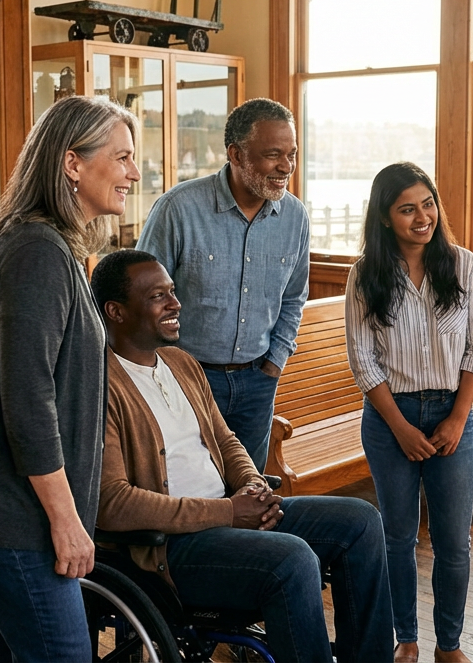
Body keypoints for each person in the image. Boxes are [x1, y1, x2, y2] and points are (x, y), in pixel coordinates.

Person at [92, 249, 393, 663]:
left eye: (173, 292)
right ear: (116, 311)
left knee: (360, 521)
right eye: (157, 296)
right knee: (293, 559)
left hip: (230, 513)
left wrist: (254, 488)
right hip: (170, 548)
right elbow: (112, 504)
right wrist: (230, 513)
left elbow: (225, 439)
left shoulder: (180, 362)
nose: (175, 303)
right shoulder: (101, 386)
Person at [0, 96, 140, 662]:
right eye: (121, 158)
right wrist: (67, 522)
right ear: (73, 163)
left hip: (13, 501)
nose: (134, 173)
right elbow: (28, 403)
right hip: (6, 506)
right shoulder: (36, 253)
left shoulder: (53, 247)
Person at [345, 163, 473, 663]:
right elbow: (362, 360)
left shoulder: (464, 265)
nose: (422, 217)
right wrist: (401, 427)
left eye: (428, 204)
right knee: (398, 536)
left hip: (454, 412)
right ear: (385, 218)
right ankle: (406, 639)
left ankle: (448, 645)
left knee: (454, 542)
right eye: (407, 209)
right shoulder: (365, 274)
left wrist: (455, 419)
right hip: (390, 419)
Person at [135, 98, 310, 473]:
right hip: (185, 380)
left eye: (292, 154)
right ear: (236, 153)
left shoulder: (295, 217)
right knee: (190, 489)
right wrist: (163, 370)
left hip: (258, 383)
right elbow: (140, 298)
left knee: (251, 494)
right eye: (273, 155)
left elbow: (294, 298)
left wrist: (275, 363)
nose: (286, 167)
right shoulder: (177, 209)